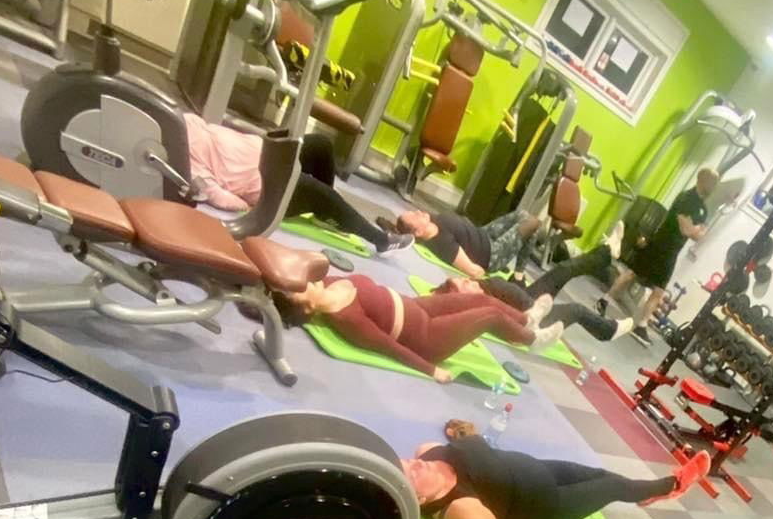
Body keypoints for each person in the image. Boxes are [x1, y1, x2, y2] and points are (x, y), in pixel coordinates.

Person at [400, 435, 711, 519]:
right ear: (420, 499)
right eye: (412, 474)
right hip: (546, 509)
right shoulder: (459, 509)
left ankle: (641, 494)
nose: (415, 464)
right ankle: (670, 486)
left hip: (537, 471)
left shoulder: (427, 451)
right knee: (613, 486)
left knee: (598, 473)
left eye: (406, 462)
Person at [271, 271, 564, 381]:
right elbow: (387, 346)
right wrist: (431, 370)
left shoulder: (328, 281)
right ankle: (532, 340)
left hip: (416, 307)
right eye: (298, 292)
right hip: (426, 337)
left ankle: (526, 319)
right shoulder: (345, 318)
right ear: (305, 308)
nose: (302, 284)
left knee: (481, 299)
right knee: (488, 316)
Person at [185, 116, 413, 255]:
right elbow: (220, 198)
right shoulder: (190, 165)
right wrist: (247, 203)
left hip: (274, 153)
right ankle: (381, 240)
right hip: (270, 186)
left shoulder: (186, 122)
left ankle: (328, 212)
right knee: (315, 190)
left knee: (321, 144)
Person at [433, 222, 632, 344]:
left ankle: (606, 251)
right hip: (533, 319)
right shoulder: (482, 306)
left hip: (528, 302)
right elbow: (517, 311)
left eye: (463, 280)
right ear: (463, 301)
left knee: (563, 269)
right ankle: (608, 330)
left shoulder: (485, 288)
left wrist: (518, 279)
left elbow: (515, 295)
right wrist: (534, 308)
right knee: (576, 310)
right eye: (464, 285)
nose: (467, 280)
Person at [606, 167, 718, 342]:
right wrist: (696, 229)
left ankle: (641, 326)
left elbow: (699, 236)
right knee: (632, 274)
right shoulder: (686, 198)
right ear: (701, 180)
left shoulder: (703, 208)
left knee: (658, 291)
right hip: (660, 245)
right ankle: (605, 301)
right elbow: (686, 230)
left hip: (672, 252)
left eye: (715, 183)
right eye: (712, 182)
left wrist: (695, 230)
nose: (713, 186)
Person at [385, 205, 543, 279]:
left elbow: (401, 232)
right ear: (418, 232)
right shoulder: (442, 243)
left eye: (414, 212)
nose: (418, 211)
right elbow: (474, 271)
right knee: (533, 223)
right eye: (414, 216)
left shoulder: (431, 220)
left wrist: (391, 227)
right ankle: (519, 276)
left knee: (522, 214)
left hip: (484, 233)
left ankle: (518, 275)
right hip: (492, 254)